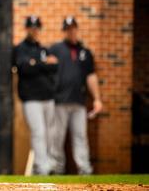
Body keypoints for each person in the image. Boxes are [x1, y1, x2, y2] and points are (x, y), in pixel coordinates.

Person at [49, 16, 103, 175]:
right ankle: (57, 169)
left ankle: (85, 170)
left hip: (79, 102)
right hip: (59, 101)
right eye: (68, 29)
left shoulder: (85, 52)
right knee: (57, 137)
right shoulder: (55, 49)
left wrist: (97, 99)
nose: (71, 31)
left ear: (76, 29)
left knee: (80, 137)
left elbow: (91, 76)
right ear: (64, 31)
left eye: (73, 28)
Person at [13, 16, 57, 175]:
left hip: (48, 96)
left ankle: (49, 163)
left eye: (37, 27)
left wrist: (36, 63)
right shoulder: (20, 48)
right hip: (31, 98)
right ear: (26, 29)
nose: (34, 30)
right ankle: (42, 166)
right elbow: (24, 67)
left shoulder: (43, 49)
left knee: (51, 132)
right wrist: (44, 64)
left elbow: (55, 67)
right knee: (38, 132)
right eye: (31, 27)